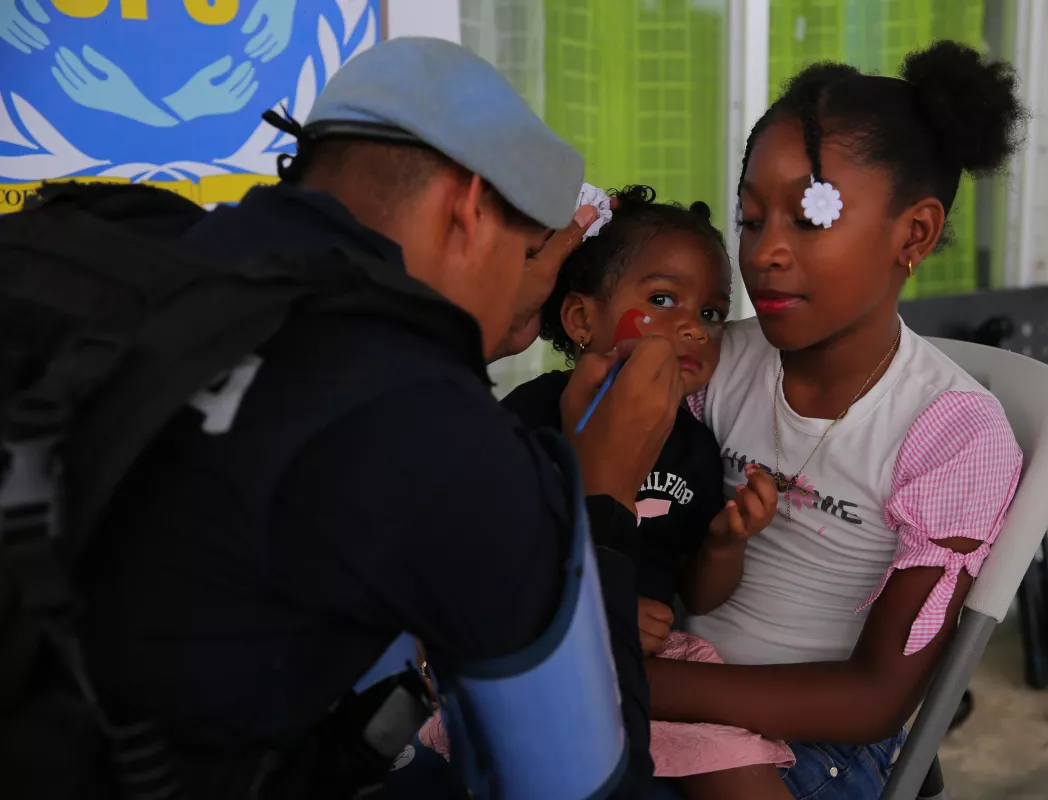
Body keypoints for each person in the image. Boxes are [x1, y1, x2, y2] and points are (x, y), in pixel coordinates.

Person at [76, 37, 675, 798]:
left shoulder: (127, 250)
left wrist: (476, 329)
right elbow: (582, 786)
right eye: (528, 250)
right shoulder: (445, 445)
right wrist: (603, 500)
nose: (533, 281)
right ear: (468, 204)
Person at [643, 42, 1028, 798]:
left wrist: (639, 687)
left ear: (913, 235)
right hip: (666, 687)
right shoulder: (715, 365)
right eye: (752, 219)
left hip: (811, 751)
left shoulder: (955, 436)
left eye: (812, 216)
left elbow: (877, 697)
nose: (767, 254)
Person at [418, 185, 794, 798]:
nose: (694, 329)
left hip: (659, 667)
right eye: (664, 299)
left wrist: (726, 544)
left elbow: (698, 591)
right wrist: (606, 610)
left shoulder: (696, 446)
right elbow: (478, 553)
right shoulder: (530, 418)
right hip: (542, 652)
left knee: (742, 770)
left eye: (711, 313)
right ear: (581, 319)